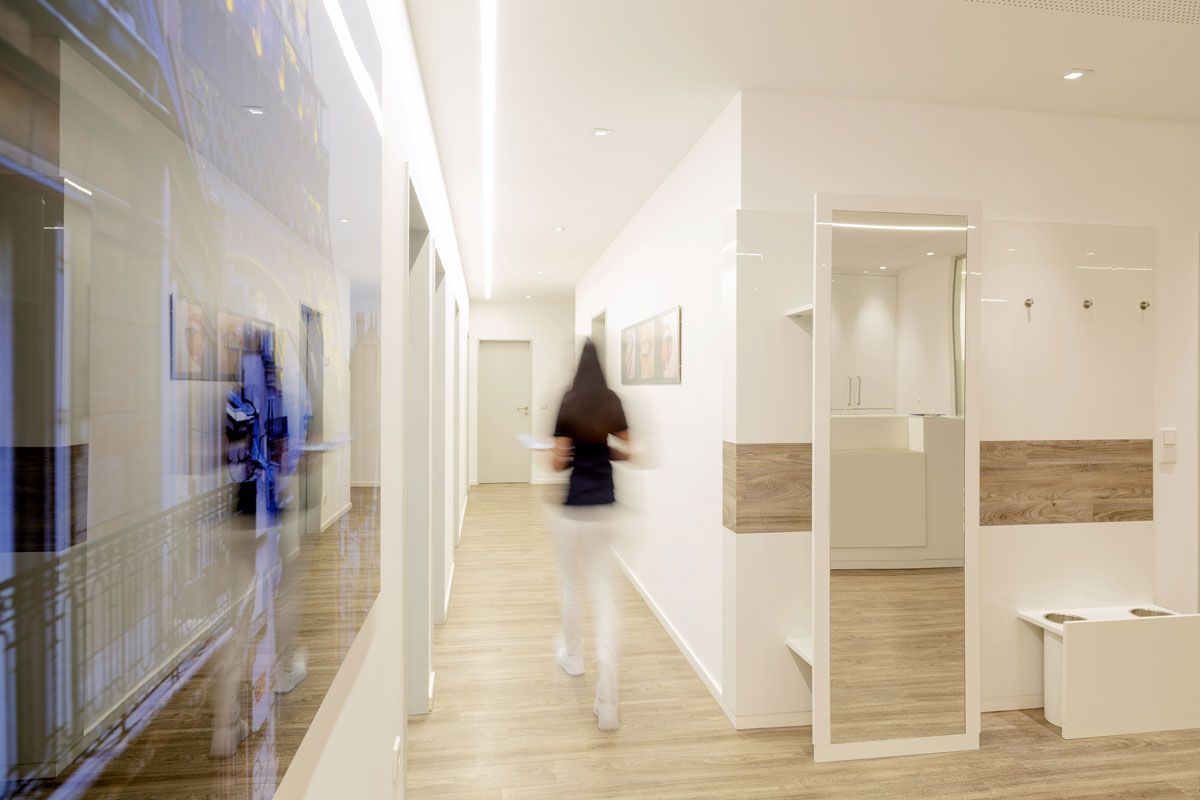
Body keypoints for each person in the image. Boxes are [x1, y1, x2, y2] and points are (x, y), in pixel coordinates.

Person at [550, 339, 631, 731]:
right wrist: (604, 451)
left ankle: (574, 657)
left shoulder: (569, 402)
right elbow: (628, 451)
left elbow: (556, 463)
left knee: (571, 586)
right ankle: (608, 701)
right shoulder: (612, 401)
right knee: (605, 598)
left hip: (574, 508)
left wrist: (573, 454)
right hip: (606, 507)